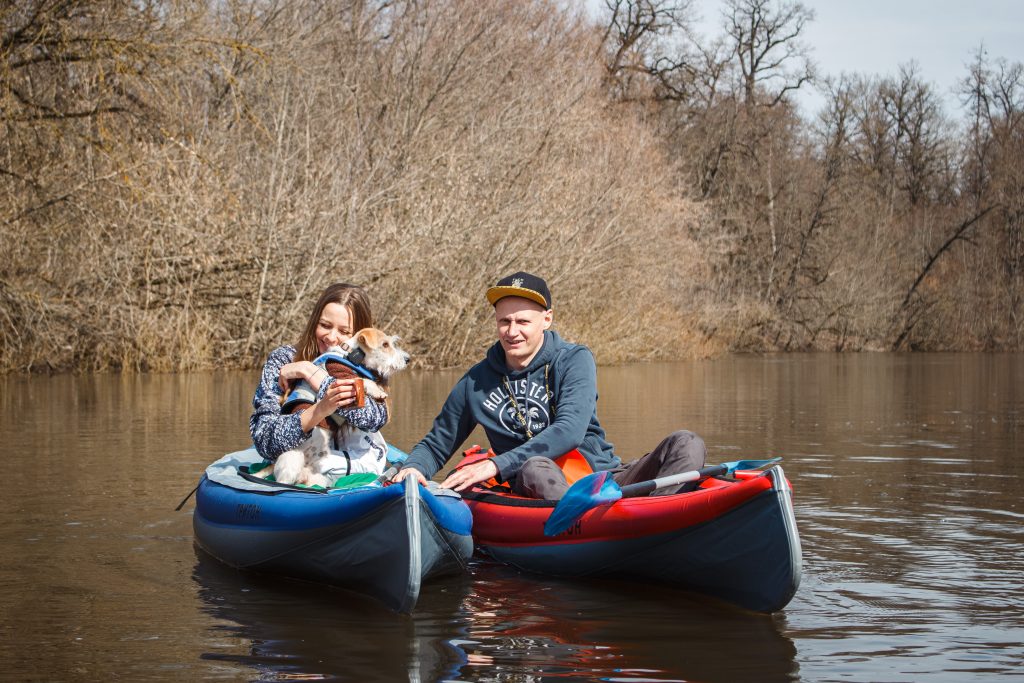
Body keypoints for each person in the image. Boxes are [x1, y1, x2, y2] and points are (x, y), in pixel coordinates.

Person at [393, 271, 707, 499]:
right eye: (504, 321)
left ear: (547, 319)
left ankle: (657, 518)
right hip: (536, 484)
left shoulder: (574, 359)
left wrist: (496, 465)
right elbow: (436, 444)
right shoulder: (476, 382)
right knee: (534, 467)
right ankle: (591, 529)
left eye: (522, 322)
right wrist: (411, 469)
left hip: (602, 478)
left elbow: (570, 429)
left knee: (687, 442)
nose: (512, 331)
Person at [249, 283, 390, 475]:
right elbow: (266, 441)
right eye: (325, 325)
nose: (331, 337)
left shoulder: (368, 368)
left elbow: (374, 419)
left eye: (344, 332)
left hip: (350, 469)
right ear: (314, 322)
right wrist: (318, 411)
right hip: (294, 463)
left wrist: (311, 373)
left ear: (360, 337)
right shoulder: (284, 359)